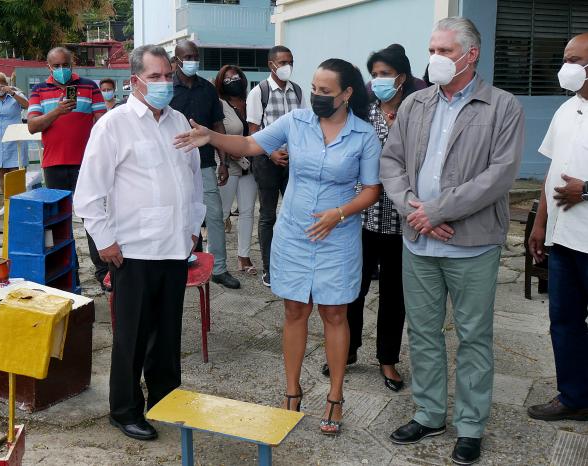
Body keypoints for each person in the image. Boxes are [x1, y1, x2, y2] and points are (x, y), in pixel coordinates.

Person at [175, 58, 382, 435]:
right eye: (315, 89)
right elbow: (251, 143)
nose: (316, 96)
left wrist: (339, 213)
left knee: (336, 314)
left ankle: (335, 395)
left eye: (325, 91)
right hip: (295, 234)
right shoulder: (296, 122)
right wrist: (212, 136)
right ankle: (292, 390)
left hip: (338, 237)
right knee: (294, 310)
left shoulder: (363, 136)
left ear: (347, 94)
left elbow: (372, 189)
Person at [380, 17, 524, 465]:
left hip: (472, 245)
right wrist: (414, 211)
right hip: (418, 243)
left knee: (474, 336)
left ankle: (470, 424)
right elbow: (392, 162)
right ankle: (429, 412)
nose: (435, 58)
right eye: (433, 49)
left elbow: (498, 176)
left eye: (444, 51)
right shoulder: (416, 103)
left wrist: (438, 211)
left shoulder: (502, 106)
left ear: (470, 54)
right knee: (423, 333)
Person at [73, 45, 205, 441]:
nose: (165, 83)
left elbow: (193, 177)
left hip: (175, 246)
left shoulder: (180, 120)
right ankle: (125, 409)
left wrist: (195, 225)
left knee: (167, 332)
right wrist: (105, 240)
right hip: (132, 250)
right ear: (135, 81)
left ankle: (166, 398)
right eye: (156, 77)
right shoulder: (113, 125)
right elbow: (88, 193)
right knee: (132, 334)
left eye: (169, 75)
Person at [320, 46, 416, 393]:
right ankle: (346, 351)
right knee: (353, 289)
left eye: (385, 73)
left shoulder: (415, 113)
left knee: (395, 295)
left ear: (401, 77)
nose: (379, 80)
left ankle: (387, 359)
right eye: (374, 74)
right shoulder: (362, 114)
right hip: (361, 218)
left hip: (403, 221)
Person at [527, 32, 588, 423]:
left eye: (575, 59)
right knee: (563, 321)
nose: (565, 66)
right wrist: (539, 225)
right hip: (563, 240)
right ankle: (573, 396)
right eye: (565, 58)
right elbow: (550, 171)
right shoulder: (566, 110)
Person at [27, 46, 109, 291]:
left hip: (87, 163)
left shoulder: (89, 87)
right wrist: (57, 111)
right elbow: (32, 126)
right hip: (54, 164)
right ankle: (67, 271)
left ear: (72, 64)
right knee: (59, 222)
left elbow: (102, 122)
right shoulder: (39, 90)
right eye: (57, 66)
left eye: (66, 64)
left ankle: (104, 272)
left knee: (93, 217)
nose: (62, 70)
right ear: (49, 67)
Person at [170, 40, 240, 290]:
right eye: (187, 57)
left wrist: (224, 161)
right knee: (179, 217)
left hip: (206, 163)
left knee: (214, 216)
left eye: (195, 56)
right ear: (176, 60)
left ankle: (219, 268)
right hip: (174, 164)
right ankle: (183, 262)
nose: (192, 61)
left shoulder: (208, 90)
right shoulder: (168, 89)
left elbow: (218, 126)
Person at [247, 45, 307, 287]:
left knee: (295, 213)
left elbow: (303, 124)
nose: (287, 67)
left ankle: (293, 263)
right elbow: (253, 130)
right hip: (267, 161)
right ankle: (269, 268)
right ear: (271, 64)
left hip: (292, 161)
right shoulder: (259, 92)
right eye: (282, 62)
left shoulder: (298, 91)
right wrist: (271, 152)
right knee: (268, 216)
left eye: (290, 61)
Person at [214, 65, 258, 275]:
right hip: (229, 166)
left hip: (249, 167)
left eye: (237, 77)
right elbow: (217, 133)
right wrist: (232, 153)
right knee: (222, 213)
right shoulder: (219, 104)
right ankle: (215, 259)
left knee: (248, 212)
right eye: (229, 78)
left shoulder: (250, 102)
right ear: (221, 82)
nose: (234, 80)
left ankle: (244, 257)